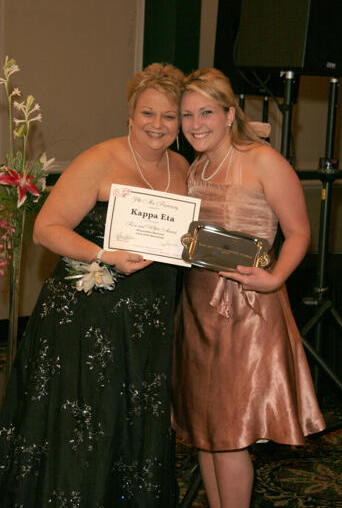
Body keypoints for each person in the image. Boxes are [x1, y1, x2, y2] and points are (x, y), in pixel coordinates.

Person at [0, 63, 189, 507]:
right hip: (87, 318)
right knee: (90, 419)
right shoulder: (99, 159)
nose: (157, 125)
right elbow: (47, 229)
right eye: (148, 113)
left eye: (169, 116)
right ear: (130, 114)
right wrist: (104, 255)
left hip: (148, 317)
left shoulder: (181, 166)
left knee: (134, 418)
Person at [171, 68, 326, 508]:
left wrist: (275, 279)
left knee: (232, 433)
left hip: (248, 308)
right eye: (187, 115)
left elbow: (299, 232)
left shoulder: (262, 160)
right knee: (206, 431)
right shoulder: (197, 166)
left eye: (206, 112)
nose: (196, 124)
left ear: (229, 113)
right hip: (198, 307)